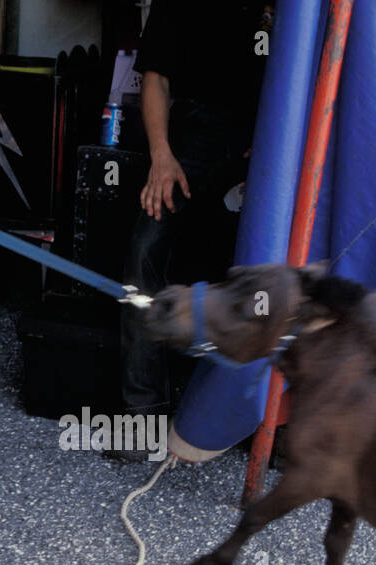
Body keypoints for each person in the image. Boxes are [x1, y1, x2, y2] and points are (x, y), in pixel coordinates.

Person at [120, 0, 271, 423]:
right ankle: (144, 409)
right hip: (191, 135)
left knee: (265, 260)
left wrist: (278, 145)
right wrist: (161, 157)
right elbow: (156, 78)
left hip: (268, 133)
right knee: (145, 248)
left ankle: (254, 415)